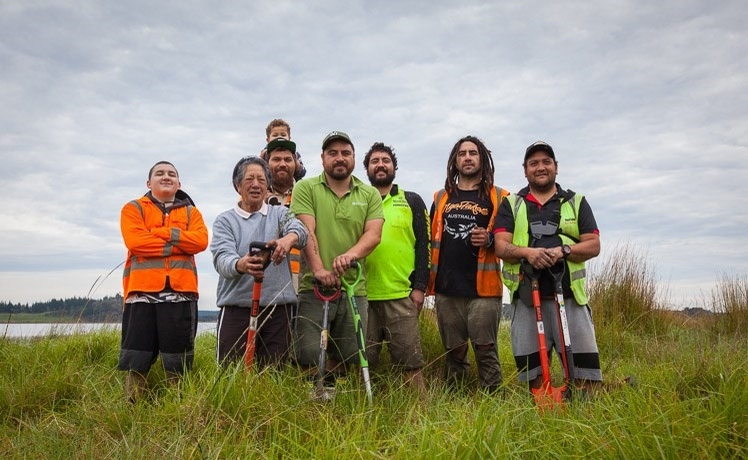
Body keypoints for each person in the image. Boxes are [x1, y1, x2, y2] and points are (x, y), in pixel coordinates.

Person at [494, 141, 603, 395]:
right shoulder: (512, 204)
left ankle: (581, 415)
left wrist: (564, 251)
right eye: (534, 163)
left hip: (570, 300)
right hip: (527, 301)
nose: (540, 167)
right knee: (534, 382)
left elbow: (594, 245)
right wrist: (528, 254)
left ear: (556, 167)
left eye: (546, 162)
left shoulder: (576, 202)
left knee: (585, 379)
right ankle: (544, 416)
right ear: (525, 170)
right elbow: (501, 246)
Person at [290, 130, 384, 398]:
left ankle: (336, 401)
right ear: (322, 158)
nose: (339, 158)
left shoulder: (369, 194)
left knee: (350, 353)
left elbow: (373, 234)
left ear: (353, 158)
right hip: (313, 286)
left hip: (354, 287)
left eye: (345, 153)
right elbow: (306, 229)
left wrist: (350, 256)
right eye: (333, 153)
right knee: (309, 351)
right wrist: (319, 270)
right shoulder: (305, 188)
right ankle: (311, 401)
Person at [118, 161, 209, 402]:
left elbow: (200, 242)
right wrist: (178, 246)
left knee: (177, 359)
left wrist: (163, 232)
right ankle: (133, 406)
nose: (166, 177)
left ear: (179, 183)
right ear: (149, 183)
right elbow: (136, 242)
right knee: (136, 357)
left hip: (182, 294)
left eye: (171, 174)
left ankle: (177, 407)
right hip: (140, 295)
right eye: (159, 173)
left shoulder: (192, 212)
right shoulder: (133, 208)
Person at [427, 135, 509, 393]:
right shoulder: (441, 197)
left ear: (482, 159)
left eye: (473, 153)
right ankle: (455, 399)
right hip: (446, 288)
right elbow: (431, 238)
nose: (468, 157)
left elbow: (512, 240)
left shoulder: (500, 197)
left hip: (484, 291)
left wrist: (491, 238)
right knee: (454, 352)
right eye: (462, 153)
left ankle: (493, 398)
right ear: (455, 161)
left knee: (485, 349)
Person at [211, 155, 307, 367]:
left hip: (278, 309)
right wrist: (241, 264)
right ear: (237, 186)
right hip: (237, 307)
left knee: (275, 375)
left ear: (268, 185)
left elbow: (301, 231)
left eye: (262, 180)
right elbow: (222, 258)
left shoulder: (281, 213)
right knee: (230, 373)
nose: (256, 185)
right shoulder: (225, 221)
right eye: (249, 180)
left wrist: (288, 239)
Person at [362, 142, 429, 394]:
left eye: (385, 160)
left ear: (394, 167)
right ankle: (359, 413)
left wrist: (420, 287)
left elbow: (424, 245)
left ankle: (419, 415)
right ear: (367, 168)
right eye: (374, 161)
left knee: (410, 363)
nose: (380, 165)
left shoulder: (411, 200)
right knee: (362, 364)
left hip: (402, 296)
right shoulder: (359, 201)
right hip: (363, 296)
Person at [261, 137, 303, 291]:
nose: (282, 164)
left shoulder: (307, 194)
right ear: (267, 164)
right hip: (264, 281)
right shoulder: (254, 196)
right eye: (276, 159)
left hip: (302, 282)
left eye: (288, 159)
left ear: (295, 164)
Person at [262, 118, 306, 186]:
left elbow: (302, 172)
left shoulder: (295, 154)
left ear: (289, 138)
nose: (279, 137)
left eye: (283, 135)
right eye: (275, 135)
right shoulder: (264, 153)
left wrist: (296, 164)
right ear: (268, 140)